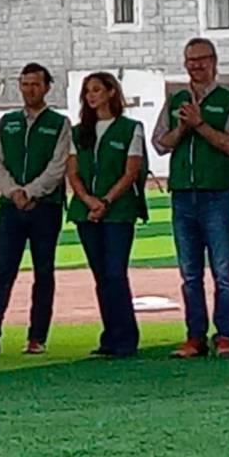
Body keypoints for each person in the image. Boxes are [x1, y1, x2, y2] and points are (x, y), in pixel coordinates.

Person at [0, 63, 71, 359]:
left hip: (45, 207)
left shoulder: (59, 123)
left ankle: (37, 337)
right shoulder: (7, 122)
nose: (29, 90)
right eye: (25, 84)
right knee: (2, 273)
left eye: (35, 84)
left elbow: (58, 165)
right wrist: (14, 192)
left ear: (47, 87)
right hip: (11, 208)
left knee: (43, 272)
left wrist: (32, 191)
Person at [152, 38, 229, 359]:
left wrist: (200, 124)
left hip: (218, 193)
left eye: (202, 59)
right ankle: (195, 337)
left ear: (214, 61)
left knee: (222, 271)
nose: (196, 65)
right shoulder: (175, 100)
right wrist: (182, 128)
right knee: (190, 273)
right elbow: (160, 144)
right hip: (183, 195)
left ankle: (224, 336)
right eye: (191, 60)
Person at [66, 72, 147, 359]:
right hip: (86, 211)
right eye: (88, 91)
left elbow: (131, 171)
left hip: (118, 212)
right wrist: (88, 200)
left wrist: (106, 201)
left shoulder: (130, 128)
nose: (91, 96)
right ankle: (110, 335)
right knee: (101, 275)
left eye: (96, 90)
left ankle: (125, 337)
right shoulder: (77, 132)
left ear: (112, 92)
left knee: (115, 273)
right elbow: (73, 172)